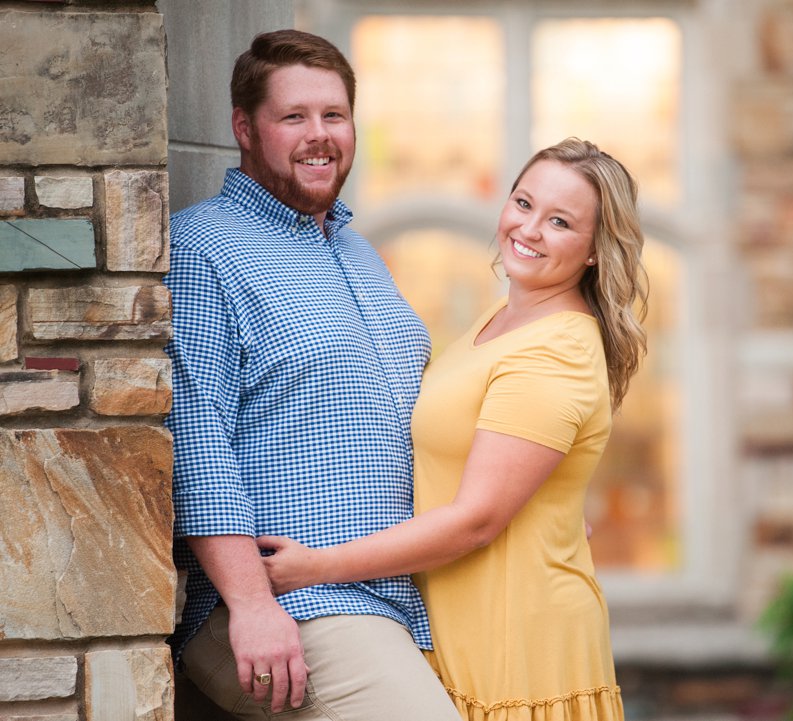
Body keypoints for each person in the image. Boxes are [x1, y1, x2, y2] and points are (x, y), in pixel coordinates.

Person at [258, 137, 649, 721]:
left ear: (595, 249)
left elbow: (476, 519)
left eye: (560, 222)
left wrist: (316, 566)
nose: (530, 229)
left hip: (518, 639)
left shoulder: (556, 350)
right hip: (461, 621)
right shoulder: (507, 314)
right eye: (523, 203)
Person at [163, 29, 461, 720]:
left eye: (334, 115)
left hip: (393, 600)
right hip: (292, 608)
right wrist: (250, 604)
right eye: (293, 117)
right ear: (244, 128)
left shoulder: (359, 254)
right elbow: (197, 437)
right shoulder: (202, 248)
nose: (319, 135)